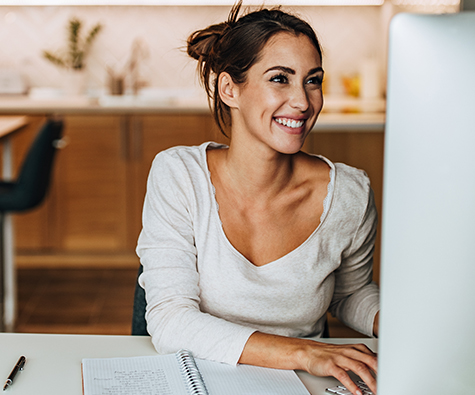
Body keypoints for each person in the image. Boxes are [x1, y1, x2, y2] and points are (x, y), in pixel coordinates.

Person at [136, 3, 379, 394]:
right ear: (230, 88)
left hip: (307, 385)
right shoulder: (180, 176)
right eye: (280, 79)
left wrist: (397, 319)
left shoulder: (350, 194)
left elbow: (350, 292)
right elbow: (170, 320)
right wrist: (304, 352)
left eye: (312, 80)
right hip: (200, 378)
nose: (303, 101)